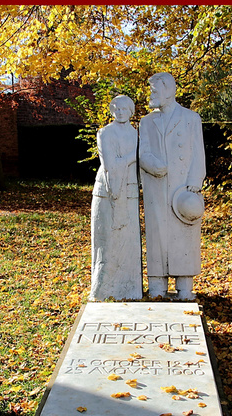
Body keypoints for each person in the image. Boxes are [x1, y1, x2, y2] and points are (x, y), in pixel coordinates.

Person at [137, 73, 205, 300]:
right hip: (156, 187)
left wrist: (195, 181)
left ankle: (185, 286)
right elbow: (143, 152)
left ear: (168, 90)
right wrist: (152, 165)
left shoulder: (190, 118)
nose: (151, 94)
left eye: (155, 90)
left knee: (184, 235)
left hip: (183, 189)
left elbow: (198, 153)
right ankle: (157, 285)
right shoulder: (146, 122)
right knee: (157, 236)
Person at [88, 96, 144, 301]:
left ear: (131, 111)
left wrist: (132, 157)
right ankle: (103, 289)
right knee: (107, 242)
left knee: (128, 242)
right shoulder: (105, 133)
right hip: (107, 192)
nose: (120, 112)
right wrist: (132, 156)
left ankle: (130, 289)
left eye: (124, 108)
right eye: (116, 108)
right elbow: (110, 164)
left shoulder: (137, 135)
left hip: (129, 192)